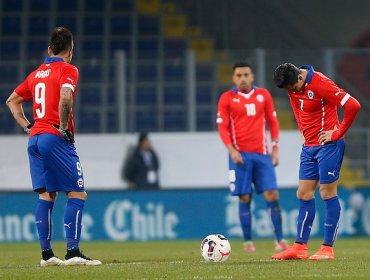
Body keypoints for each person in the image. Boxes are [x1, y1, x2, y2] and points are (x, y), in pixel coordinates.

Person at [5, 27, 101, 266]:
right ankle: (73, 252)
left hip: (35, 139)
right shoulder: (68, 69)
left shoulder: (35, 74)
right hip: (54, 136)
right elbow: (66, 97)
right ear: (70, 51)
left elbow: (11, 101)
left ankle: (47, 255)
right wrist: (63, 127)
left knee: (47, 195)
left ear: (49, 49)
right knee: (77, 193)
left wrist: (28, 126)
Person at [271, 63, 361, 260]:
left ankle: (327, 249)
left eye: (292, 88)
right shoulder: (292, 86)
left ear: (300, 78)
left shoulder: (321, 83)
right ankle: (300, 247)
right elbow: (296, 106)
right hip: (309, 147)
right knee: (303, 193)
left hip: (329, 146)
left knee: (327, 192)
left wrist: (337, 132)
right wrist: (302, 131)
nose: (291, 92)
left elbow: (354, 105)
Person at [216, 61, 289, 253]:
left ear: (252, 77)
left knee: (272, 193)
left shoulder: (263, 95)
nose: (243, 79)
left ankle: (279, 240)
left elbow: (273, 122)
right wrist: (231, 150)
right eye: (239, 75)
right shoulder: (227, 98)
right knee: (244, 197)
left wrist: (275, 148)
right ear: (233, 78)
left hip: (262, 154)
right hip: (240, 155)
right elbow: (222, 127)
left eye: (246, 75)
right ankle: (248, 241)